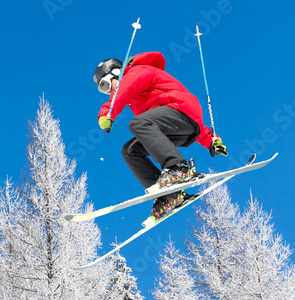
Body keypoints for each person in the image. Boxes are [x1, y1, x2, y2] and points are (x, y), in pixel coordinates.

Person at [93, 52, 228, 224]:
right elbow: (163, 127)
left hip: (180, 110)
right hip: (176, 126)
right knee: (129, 151)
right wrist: (210, 140)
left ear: (116, 73)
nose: (108, 91)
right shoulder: (137, 100)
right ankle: (170, 195)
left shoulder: (137, 71)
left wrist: (107, 112)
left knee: (137, 124)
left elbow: (125, 89)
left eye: (105, 85)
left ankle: (177, 168)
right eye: (103, 90)